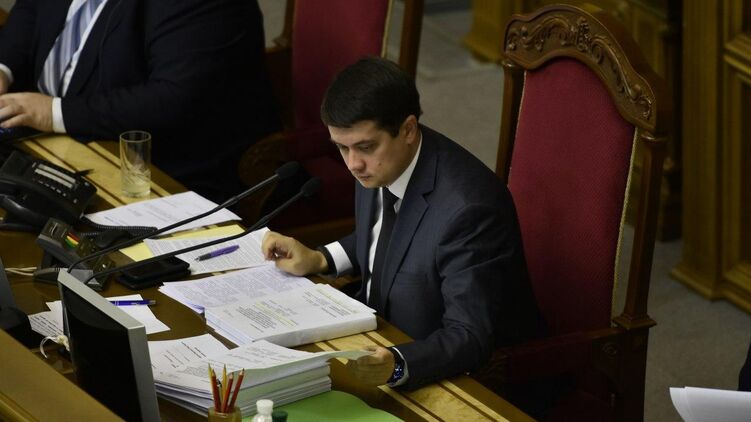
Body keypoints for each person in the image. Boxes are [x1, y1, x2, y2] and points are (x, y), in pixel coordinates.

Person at [261, 57, 541, 389]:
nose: (352, 164)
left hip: (446, 374)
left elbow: (469, 336)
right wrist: (320, 258)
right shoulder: (379, 162)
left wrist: (397, 365)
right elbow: (390, 237)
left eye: (365, 147)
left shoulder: (469, 211)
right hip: (370, 338)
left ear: (408, 130)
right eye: (341, 148)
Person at [0, 0, 279, 202]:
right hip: (52, 145)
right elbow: (31, 9)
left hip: (164, 177)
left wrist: (53, 113)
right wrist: (3, 69)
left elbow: (173, 99)